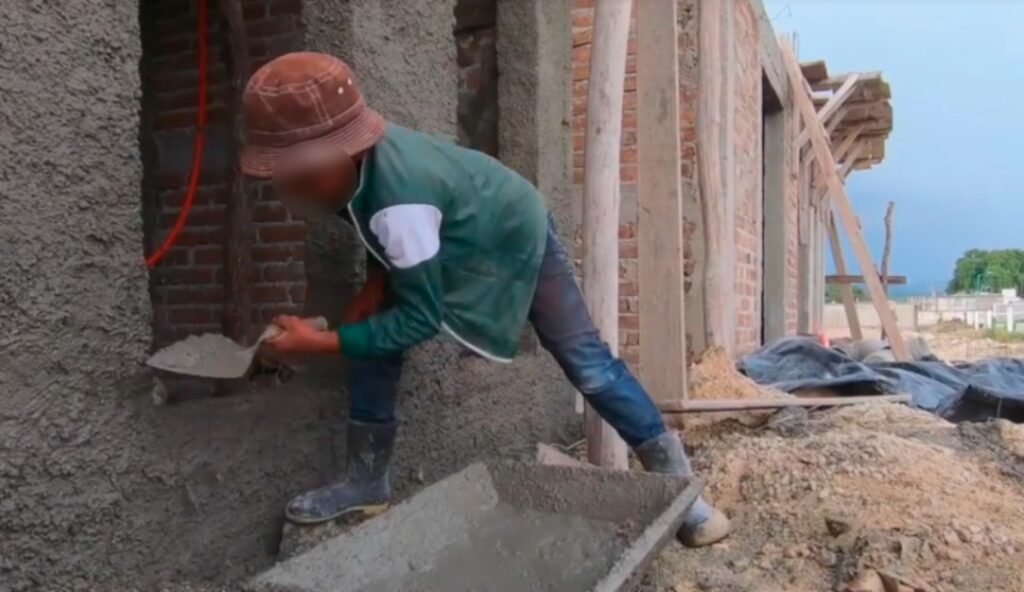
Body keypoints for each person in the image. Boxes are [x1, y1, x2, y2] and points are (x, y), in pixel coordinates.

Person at [244, 52, 730, 547]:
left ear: (347, 149)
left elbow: (419, 318)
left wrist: (320, 343)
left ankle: (682, 492)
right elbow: (377, 230)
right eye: (287, 177)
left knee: (587, 362)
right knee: (371, 342)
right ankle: (367, 481)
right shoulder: (356, 173)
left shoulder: (402, 203)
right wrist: (375, 285)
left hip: (514, 229)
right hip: (454, 229)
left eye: (305, 175)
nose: (297, 187)